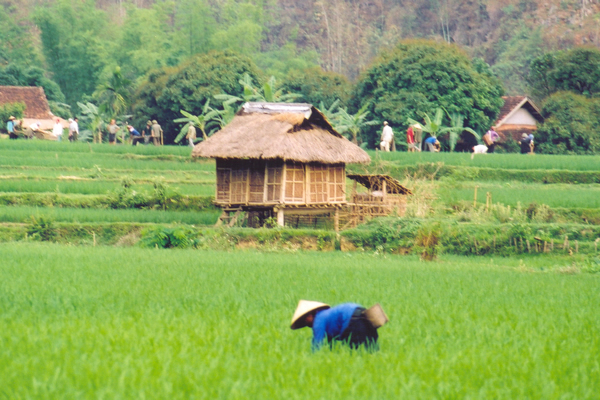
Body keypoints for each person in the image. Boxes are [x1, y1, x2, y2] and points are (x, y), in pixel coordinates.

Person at [291, 300, 381, 351]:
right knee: (371, 348)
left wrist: (312, 358)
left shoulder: (318, 321)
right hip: (363, 313)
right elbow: (331, 341)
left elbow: (317, 343)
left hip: (352, 319)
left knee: (353, 352)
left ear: (310, 315)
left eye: (305, 320)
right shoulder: (327, 316)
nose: (306, 324)